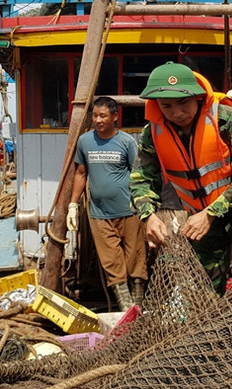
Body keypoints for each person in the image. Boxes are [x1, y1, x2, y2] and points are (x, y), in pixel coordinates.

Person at [129, 62, 232, 295]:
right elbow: (141, 180)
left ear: (199, 97)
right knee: (202, 290)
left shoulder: (226, 118)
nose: (177, 113)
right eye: (167, 106)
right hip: (201, 218)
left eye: (183, 103)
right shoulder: (152, 133)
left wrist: (212, 213)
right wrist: (148, 217)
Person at [67, 96, 146, 311]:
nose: (98, 120)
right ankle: (126, 312)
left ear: (114, 116)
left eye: (103, 115)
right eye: (95, 115)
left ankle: (137, 307)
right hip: (99, 214)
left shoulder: (127, 142)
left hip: (130, 211)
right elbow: (81, 173)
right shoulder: (85, 142)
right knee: (112, 264)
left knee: (135, 261)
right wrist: (73, 205)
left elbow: (139, 175)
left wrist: (145, 206)